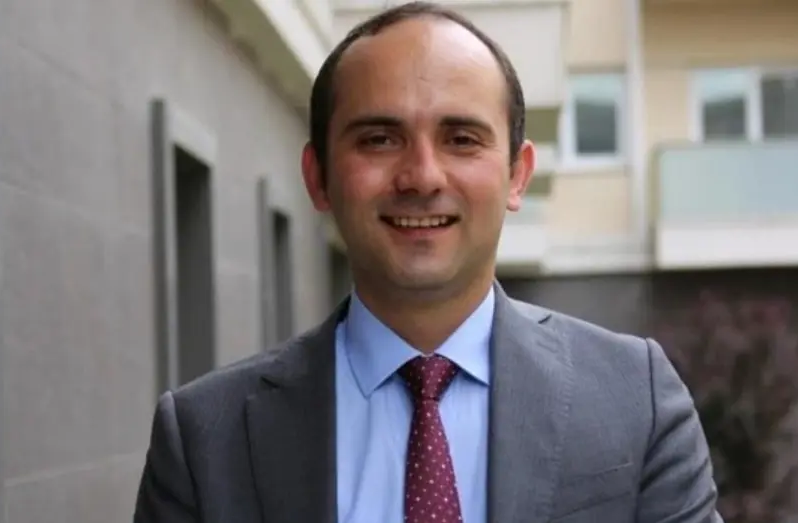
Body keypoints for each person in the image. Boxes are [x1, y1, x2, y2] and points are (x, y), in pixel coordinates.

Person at [133, 2, 723, 522]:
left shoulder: (635, 400)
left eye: (461, 139)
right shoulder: (204, 440)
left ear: (518, 175)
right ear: (318, 178)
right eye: (379, 139)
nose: (422, 176)